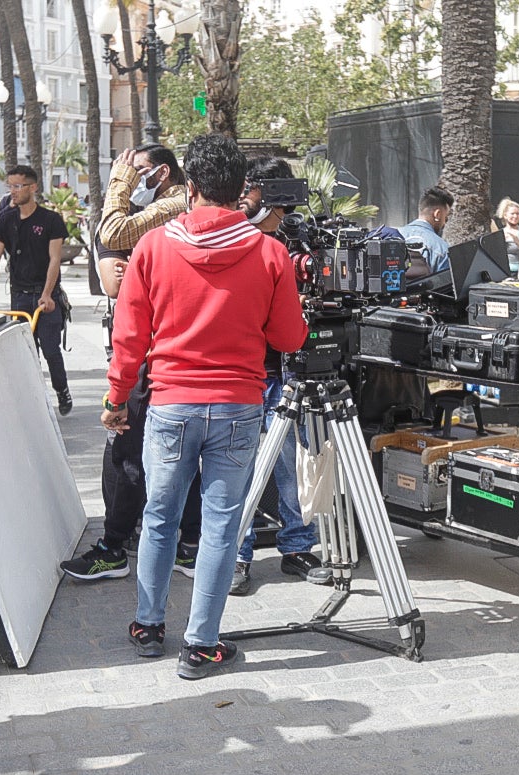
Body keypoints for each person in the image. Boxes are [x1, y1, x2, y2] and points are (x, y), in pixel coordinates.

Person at [105, 132, 306, 680]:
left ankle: (148, 626)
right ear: (242, 190)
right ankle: (201, 644)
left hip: (171, 403)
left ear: (190, 187)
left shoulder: (152, 247)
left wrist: (117, 397)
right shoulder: (270, 252)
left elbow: (130, 335)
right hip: (239, 405)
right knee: (220, 526)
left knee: (159, 517)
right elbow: (289, 338)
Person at [60, 143, 197, 584]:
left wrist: (118, 184)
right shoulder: (166, 205)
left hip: (154, 348)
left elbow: (114, 233)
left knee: (125, 448)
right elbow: (110, 261)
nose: (128, 175)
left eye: (136, 170)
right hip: (156, 345)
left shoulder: (175, 204)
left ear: (160, 173)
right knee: (146, 451)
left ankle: (116, 546)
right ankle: (160, 541)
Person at [229, 156, 328, 596]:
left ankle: (297, 546)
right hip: (245, 370)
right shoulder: (235, 236)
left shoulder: (293, 236)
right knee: (242, 467)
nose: (283, 214)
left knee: (289, 462)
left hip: (284, 369)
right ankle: (238, 554)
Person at [0, 165, 72, 415]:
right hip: (20, 296)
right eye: (10, 186)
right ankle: (33, 401)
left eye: (18, 186)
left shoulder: (50, 220)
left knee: (51, 349)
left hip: (46, 297)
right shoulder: (6, 220)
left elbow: (55, 259)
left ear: (33, 188)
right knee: (26, 352)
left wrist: (47, 293)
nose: (13, 191)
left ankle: (62, 390)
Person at [98, 145, 188, 254]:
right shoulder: (169, 203)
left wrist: (120, 181)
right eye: (130, 173)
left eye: (137, 171)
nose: (133, 177)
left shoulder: (170, 207)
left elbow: (112, 234)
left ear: (163, 172)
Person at [400, 186, 453, 274]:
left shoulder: (392, 236)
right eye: (446, 218)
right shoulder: (441, 248)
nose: (444, 223)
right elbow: (446, 285)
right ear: (437, 215)